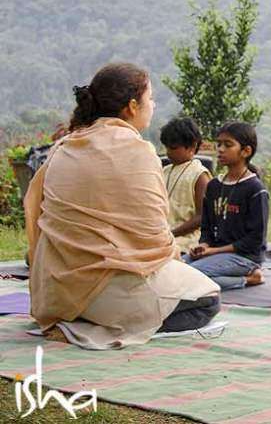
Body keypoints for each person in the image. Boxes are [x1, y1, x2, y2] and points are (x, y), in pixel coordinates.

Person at [25, 63, 220, 349]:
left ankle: (83, 317)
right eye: (150, 98)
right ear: (131, 106)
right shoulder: (138, 151)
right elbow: (154, 239)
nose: (152, 105)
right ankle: (115, 322)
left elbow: (37, 217)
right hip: (105, 291)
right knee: (208, 298)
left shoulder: (63, 147)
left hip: (55, 291)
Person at [185, 122, 268, 290]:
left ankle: (249, 278)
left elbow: (255, 240)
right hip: (216, 253)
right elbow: (207, 227)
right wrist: (204, 245)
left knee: (190, 277)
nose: (220, 149)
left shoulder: (255, 189)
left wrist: (214, 251)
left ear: (246, 151)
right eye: (219, 144)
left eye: (228, 145)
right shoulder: (214, 185)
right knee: (172, 270)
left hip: (244, 257)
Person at [160, 117, 212, 254]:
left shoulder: (199, 175)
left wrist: (172, 233)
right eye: (166, 147)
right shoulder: (164, 171)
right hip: (161, 233)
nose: (168, 152)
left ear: (192, 146)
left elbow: (202, 217)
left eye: (173, 148)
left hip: (186, 239)